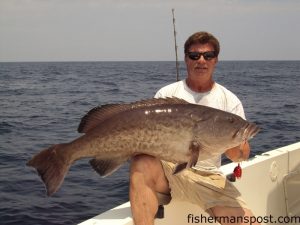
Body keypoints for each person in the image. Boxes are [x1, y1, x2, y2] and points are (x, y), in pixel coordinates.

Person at [129, 31, 260, 225]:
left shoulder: (229, 100)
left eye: (208, 55)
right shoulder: (167, 93)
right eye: (194, 55)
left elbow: (239, 156)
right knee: (141, 162)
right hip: (169, 172)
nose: (201, 60)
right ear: (186, 59)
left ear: (216, 60)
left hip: (209, 178)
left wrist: (237, 145)